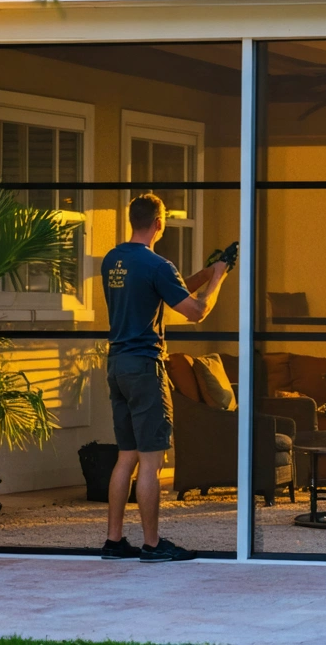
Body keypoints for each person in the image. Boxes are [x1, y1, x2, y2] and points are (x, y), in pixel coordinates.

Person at [99, 193, 229, 562]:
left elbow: (161, 292)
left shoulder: (114, 260)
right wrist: (216, 280)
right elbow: (196, 312)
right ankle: (153, 544)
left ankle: (113, 541)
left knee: (126, 456)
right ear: (159, 223)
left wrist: (204, 272)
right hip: (144, 367)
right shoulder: (158, 265)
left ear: (131, 220)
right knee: (152, 462)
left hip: (118, 364)